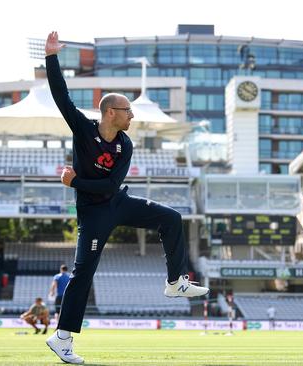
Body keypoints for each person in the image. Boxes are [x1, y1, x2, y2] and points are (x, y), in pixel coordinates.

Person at [43, 31, 209, 364]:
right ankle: (61, 339)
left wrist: (76, 181)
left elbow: (110, 186)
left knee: (171, 217)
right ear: (110, 113)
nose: (132, 115)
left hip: (116, 202)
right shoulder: (83, 129)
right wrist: (51, 57)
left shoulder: (126, 144)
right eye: (127, 111)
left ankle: (175, 281)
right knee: (83, 273)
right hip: (93, 214)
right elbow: (61, 96)